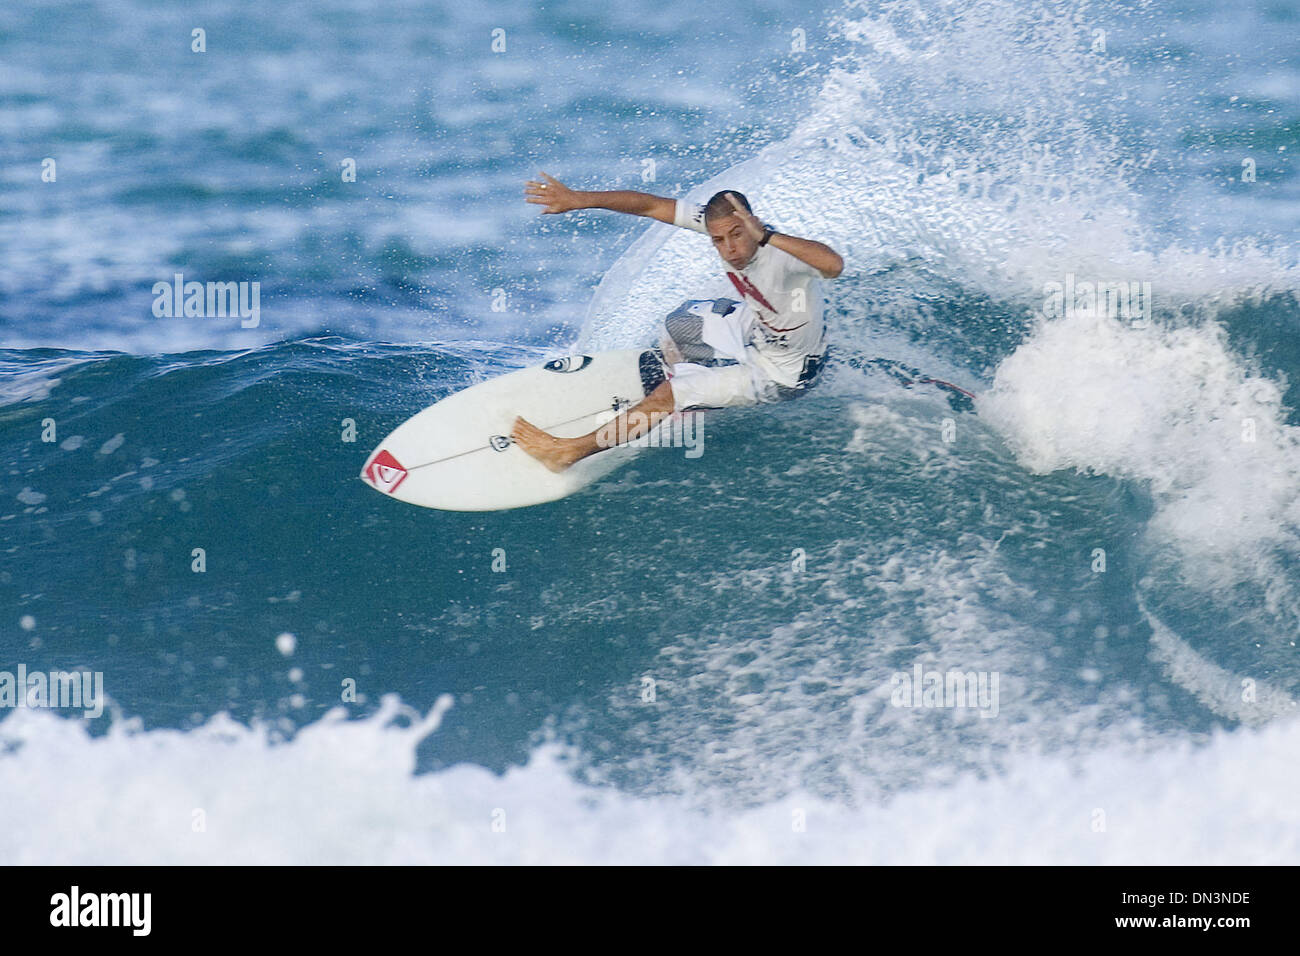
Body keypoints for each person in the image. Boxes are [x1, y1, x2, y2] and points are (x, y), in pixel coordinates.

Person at [512, 171, 843, 472]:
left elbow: (833, 264)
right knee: (680, 323)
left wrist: (767, 237)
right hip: (760, 327)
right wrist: (580, 199)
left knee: (669, 394)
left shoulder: (782, 256)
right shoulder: (723, 226)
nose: (729, 249)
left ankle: (567, 453)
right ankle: (700, 389)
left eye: (737, 235)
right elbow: (651, 206)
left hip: (784, 375)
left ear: (753, 224)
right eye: (718, 240)